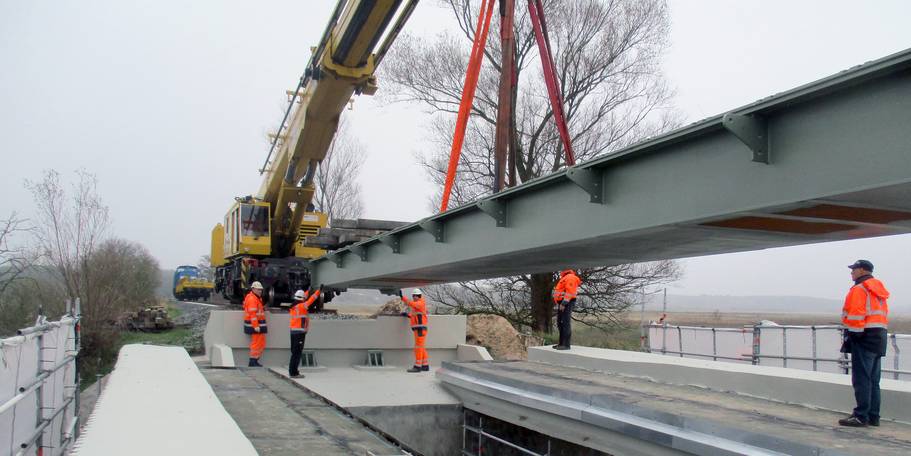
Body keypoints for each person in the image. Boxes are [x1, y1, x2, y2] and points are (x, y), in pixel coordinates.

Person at [838, 260, 889, 427]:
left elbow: (856, 313)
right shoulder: (877, 290)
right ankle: (873, 416)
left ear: (862, 270)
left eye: (854, 269)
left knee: (861, 379)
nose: (851, 272)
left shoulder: (860, 289)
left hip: (864, 337)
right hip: (879, 337)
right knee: (873, 380)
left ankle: (861, 416)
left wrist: (854, 335)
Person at [288, 286, 321, 378]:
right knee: (297, 353)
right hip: (299, 333)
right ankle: (293, 373)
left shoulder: (294, 306)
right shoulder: (302, 306)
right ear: (302, 299)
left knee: (294, 353)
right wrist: (318, 291)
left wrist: (308, 291)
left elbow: (304, 297)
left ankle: (293, 371)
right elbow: (311, 299)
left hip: (293, 332)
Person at [399, 288, 429, 373]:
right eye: (413, 296)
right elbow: (415, 316)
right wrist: (407, 315)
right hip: (419, 329)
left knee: (418, 348)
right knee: (421, 347)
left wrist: (402, 297)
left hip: (420, 329)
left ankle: (417, 366)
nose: (414, 297)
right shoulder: (418, 304)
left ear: (419, 296)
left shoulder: (420, 303)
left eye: (415, 296)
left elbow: (411, 304)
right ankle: (425, 365)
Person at [552, 269, 581, 350]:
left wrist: (564, 303)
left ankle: (566, 345)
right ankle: (561, 343)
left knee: (565, 323)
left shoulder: (570, 277)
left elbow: (570, 291)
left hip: (566, 302)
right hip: (562, 302)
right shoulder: (565, 277)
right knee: (560, 323)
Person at [243, 281, 268, 367]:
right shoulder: (252, 299)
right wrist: (256, 326)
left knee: (260, 342)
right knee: (256, 343)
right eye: (258, 289)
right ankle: (252, 361)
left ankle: (255, 360)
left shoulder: (255, 298)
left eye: (261, 290)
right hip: (255, 325)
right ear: (253, 289)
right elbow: (252, 314)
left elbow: (256, 311)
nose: (260, 291)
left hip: (258, 324)